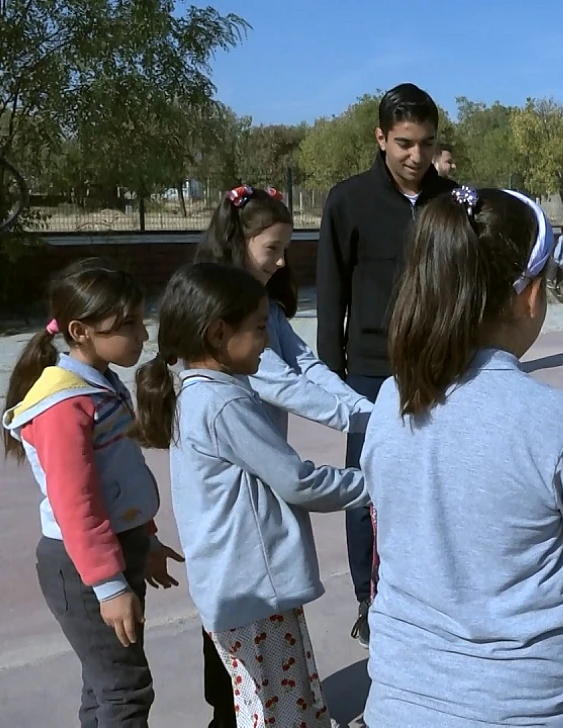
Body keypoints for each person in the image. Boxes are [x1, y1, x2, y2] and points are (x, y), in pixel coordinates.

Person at [361, 186, 563, 727]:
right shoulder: (558, 421)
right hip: (524, 707)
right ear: (528, 296)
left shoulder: (392, 398)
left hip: (398, 698)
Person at [135, 262, 370, 728]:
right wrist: (374, 484)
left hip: (241, 589)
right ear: (220, 333)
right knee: (278, 711)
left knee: (281, 700)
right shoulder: (223, 403)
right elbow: (297, 481)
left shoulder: (205, 392)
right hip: (252, 591)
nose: (267, 341)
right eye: (260, 328)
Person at [194, 184, 373, 726]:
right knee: (244, 679)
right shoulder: (223, 373)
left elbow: (309, 370)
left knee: (275, 667)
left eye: (285, 250)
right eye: (270, 249)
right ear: (238, 241)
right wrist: (373, 466)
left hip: (260, 513)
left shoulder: (262, 310)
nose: (280, 261)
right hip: (236, 536)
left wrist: (367, 411)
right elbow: (283, 386)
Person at [1, 258, 182, 728]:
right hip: (82, 566)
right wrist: (107, 586)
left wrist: (144, 537)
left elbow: (116, 474)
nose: (142, 335)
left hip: (110, 551)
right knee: (125, 691)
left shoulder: (94, 383)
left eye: (140, 321)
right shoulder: (64, 403)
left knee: (104, 686)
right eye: (126, 324)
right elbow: (75, 506)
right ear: (80, 331)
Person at [316, 82, 457, 646]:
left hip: (440, 369)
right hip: (370, 374)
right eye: (403, 143)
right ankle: (367, 599)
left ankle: (434, 590)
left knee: (438, 483)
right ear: (380, 138)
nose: (415, 157)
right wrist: (332, 382)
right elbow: (331, 298)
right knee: (366, 489)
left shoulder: (451, 201)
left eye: (425, 143)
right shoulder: (347, 200)